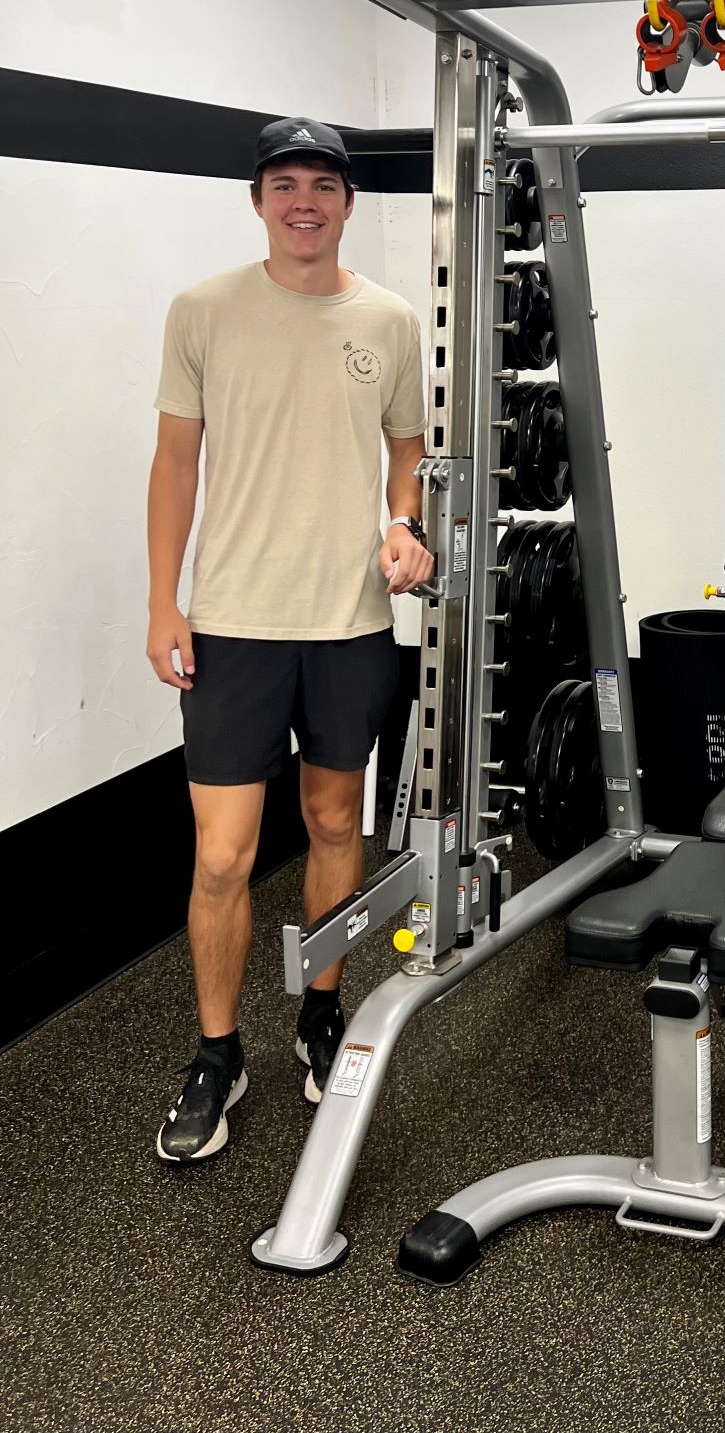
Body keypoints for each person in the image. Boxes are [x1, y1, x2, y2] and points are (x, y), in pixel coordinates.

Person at [147, 117, 433, 1162]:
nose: (303, 199)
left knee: (332, 820)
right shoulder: (204, 310)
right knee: (221, 853)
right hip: (231, 621)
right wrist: (161, 601)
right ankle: (217, 1053)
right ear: (258, 199)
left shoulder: (391, 318)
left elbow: (410, 448)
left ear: (348, 202)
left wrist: (404, 524)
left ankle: (322, 1006)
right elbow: (175, 463)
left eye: (322, 183)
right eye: (284, 184)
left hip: (351, 619)